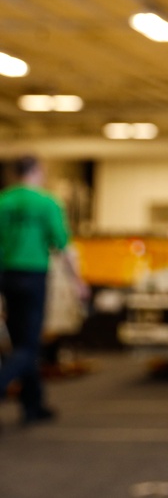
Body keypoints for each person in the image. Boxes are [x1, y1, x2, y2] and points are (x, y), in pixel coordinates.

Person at [0, 155, 87, 425]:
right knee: (29, 344)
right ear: (37, 172)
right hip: (33, 275)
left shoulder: (3, 201)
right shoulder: (47, 202)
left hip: (6, 276)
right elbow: (63, 245)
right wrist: (77, 281)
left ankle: (33, 404)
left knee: (19, 341)